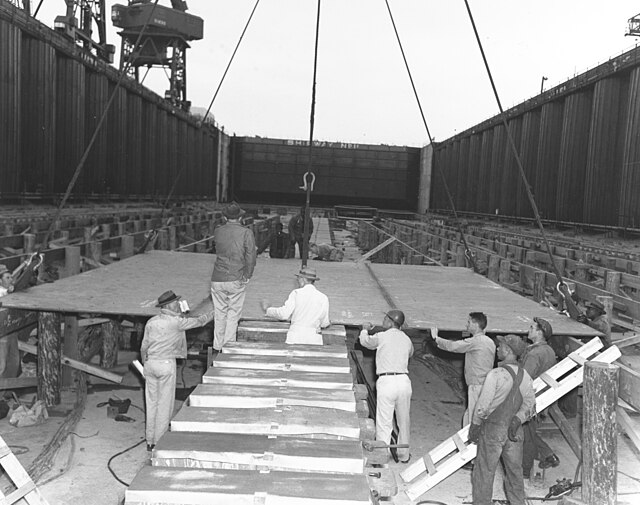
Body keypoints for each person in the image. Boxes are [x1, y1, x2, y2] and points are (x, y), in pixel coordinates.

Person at [140, 290, 213, 451]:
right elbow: (200, 321)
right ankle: (159, 442)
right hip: (166, 364)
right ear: (169, 305)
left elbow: (144, 346)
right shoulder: (176, 322)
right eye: (175, 302)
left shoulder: (152, 322)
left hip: (150, 363)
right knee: (165, 404)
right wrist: (216, 311)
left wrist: (145, 364)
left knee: (151, 402)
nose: (178, 304)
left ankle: (149, 440)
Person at [468, 334, 535, 505]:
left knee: (484, 470)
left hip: (493, 429)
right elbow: (530, 405)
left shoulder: (496, 374)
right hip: (515, 432)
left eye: (500, 346)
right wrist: (517, 420)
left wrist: (475, 425)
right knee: (514, 472)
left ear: (508, 350)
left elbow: (483, 406)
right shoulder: (526, 376)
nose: (498, 349)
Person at [359, 310, 413, 463]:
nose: (383, 321)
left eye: (385, 318)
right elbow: (410, 353)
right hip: (403, 381)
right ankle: (404, 455)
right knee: (404, 420)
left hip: (387, 381)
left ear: (391, 322)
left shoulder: (382, 336)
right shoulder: (406, 339)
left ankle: (382, 458)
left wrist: (364, 329)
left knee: (384, 423)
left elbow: (365, 342)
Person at [431, 312, 496, 425]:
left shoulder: (475, 341)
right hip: (487, 384)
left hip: (476, 385)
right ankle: (466, 438)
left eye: (469, 322)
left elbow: (453, 346)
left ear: (476, 325)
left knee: (473, 417)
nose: (466, 325)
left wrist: (436, 338)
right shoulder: (490, 342)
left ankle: (471, 441)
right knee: (470, 415)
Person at [211, 201, 257, 351]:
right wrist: (247, 275)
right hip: (236, 276)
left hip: (217, 278)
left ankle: (217, 345)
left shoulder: (218, 231)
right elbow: (250, 256)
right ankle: (228, 346)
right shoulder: (246, 232)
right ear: (240, 217)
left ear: (225, 217)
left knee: (220, 313)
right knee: (233, 313)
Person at [521, 317, 559, 477]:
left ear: (539, 332)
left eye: (532, 327)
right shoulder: (548, 350)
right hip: (543, 397)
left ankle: (524, 471)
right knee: (528, 432)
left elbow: (524, 379)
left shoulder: (535, 354)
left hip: (532, 399)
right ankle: (548, 455)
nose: (528, 330)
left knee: (525, 435)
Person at [262, 267, 330, 345]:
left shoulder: (296, 293)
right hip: (314, 337)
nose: (297, 281)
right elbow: (325, 323)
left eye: (298, 279)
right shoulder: (323, 298)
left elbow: (284, 314)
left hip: (296, 335)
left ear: (303, 279)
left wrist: (268, 310)